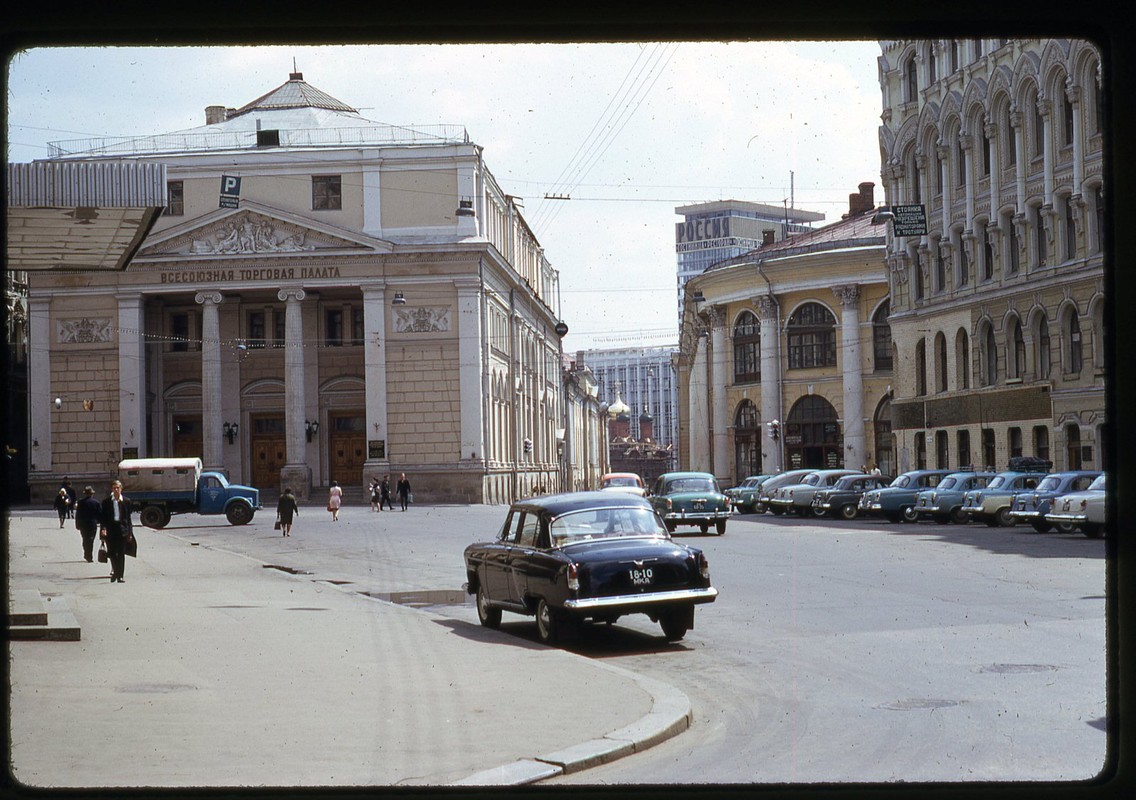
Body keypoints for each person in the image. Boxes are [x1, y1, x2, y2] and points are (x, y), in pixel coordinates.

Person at [99, 480, 134, 583]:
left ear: (121, 489)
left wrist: (130, 532)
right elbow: (103, 518)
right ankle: (115, 572)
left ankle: (120, 576)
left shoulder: (126, 501)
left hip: (122, 530)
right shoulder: (106, 502)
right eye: (114, 488)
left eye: (117, 488)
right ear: (112, 489)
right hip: (110, 530)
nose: (116, 490)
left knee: (121, 553)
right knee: (112, 553)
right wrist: (103, 529)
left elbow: (128, 518)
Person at [74, 485, 101, 562]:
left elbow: (78, 514)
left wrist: (77, 524)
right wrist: (98, 521)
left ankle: (87, 553)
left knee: (85, 539)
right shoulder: (96, 503)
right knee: (91, 540)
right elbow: (99, 514)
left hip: (83, 524)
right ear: (92, 494)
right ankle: (89, 555)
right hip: (93, 524)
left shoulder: (81, 502)